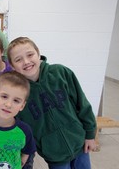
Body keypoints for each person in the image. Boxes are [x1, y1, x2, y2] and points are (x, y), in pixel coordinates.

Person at [7, 36, 97, 169]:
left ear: (38, 53)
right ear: (12, 66)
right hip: (53, 154)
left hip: (79, 143)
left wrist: (90, 134)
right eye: (18, 60)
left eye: (30, 55)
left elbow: (82, 105)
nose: (26, 62)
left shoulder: (60, 73)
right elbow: (21, 127)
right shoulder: (18, 93)